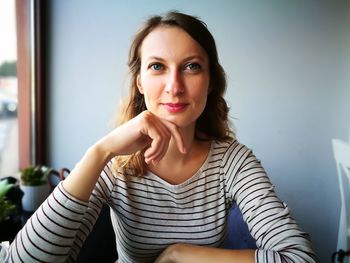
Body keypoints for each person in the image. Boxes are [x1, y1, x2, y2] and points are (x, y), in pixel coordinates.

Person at [8, 11, 318, 263]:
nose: (175, 85)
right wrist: (99, 152)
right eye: (158, 66)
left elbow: (300, 259)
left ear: (210, 81)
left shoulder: (233, 161)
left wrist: (181, 254)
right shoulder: (114, 164)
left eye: (192, 67)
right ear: (140, 81)